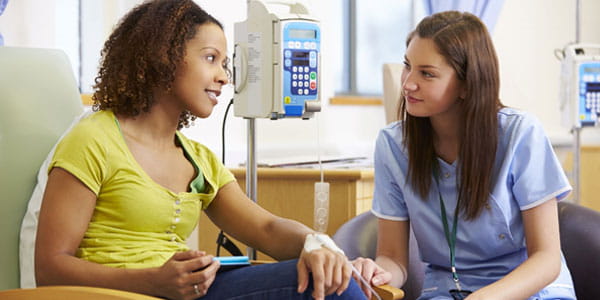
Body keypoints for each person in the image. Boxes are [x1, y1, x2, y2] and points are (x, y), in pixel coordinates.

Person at [34, 1, 367, 299]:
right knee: (337, 289)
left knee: (334, 278)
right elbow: (49, 268)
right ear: (162, 57)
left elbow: (266, 229)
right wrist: (153, 281)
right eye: (211, 59)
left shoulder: (197, 159)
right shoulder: (93, 140)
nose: (224, 77)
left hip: (187, 290)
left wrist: (318, 245)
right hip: (121, 294)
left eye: (225, 63)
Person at [352, 11, 577, 300]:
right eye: (407, 66)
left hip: (529, 288)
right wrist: (377, 271)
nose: (407, 83)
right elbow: (394, 258)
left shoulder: (520, 134)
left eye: (427, 73)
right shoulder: (393, 146)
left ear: (467, 84)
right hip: (447, 291)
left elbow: (546, 260)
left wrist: (483, 298)